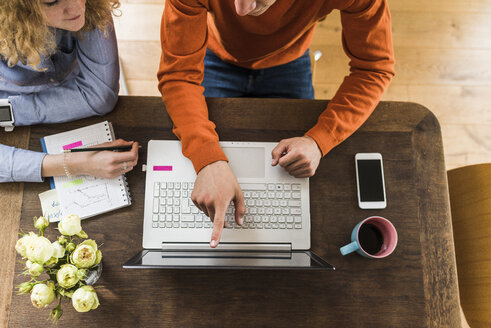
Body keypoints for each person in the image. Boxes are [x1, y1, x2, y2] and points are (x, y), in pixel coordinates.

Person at [157, 0, 395, 247]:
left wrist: (319, 140)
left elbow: (374, 69)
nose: (240, 10)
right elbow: (178, 76)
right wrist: (206, 158)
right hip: (215, 55)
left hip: (290, 59)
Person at [0, 0, 138, 183]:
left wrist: (8, 112)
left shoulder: (88, 5)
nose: (79, 7)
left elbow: (100, 95)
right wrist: (73, 164)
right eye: (51, 2)